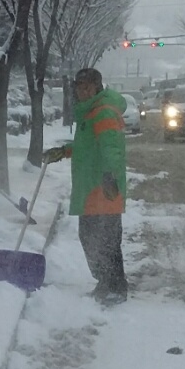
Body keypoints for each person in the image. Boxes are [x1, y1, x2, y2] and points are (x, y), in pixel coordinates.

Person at [43, 66, 128, 304]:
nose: (83, 91)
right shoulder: (91, 112)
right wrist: (64, 151)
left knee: (105, 241)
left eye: (87, 87)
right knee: (92, 238)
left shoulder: (103, 112)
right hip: (92, 187)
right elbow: (88, 146)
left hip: (103, 188)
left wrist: (110, 176)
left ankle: (115, 287)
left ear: (97, 87)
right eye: (79, 87)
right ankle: (106, 283)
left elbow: (112, 148)